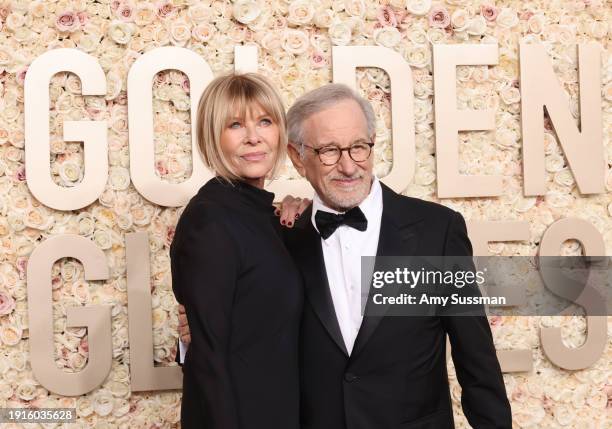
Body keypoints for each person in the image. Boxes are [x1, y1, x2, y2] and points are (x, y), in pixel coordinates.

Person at [178, 83, 512, 428]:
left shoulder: (436, 231)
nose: (349, 167)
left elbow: (477, 362)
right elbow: (255, 329)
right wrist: (198, 336)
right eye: (329, 151)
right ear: (297, 156)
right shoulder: (283, 236)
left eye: (358, 148)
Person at [169, 73, 302, 429]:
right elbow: (208, 358)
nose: (254, 137)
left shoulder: (265, 215)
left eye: (264, 121)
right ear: (214, 136)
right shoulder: (210, 219)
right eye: (235, 125)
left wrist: (304, 219)